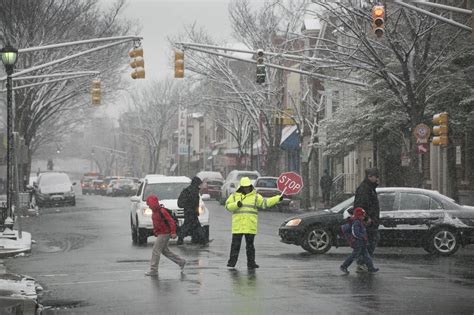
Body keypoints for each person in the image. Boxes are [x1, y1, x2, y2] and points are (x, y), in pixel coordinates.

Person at [225, 177, 282, 269]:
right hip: (238, 225)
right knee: (235, 245)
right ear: (241, 187)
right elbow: (227, 206)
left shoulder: (255, 196)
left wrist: (277, 199)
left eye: (248, 186)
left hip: (250, 226)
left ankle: (251, 263)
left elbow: (265, 203)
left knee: (250, 246)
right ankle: (232, 263)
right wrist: (236, 205)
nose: (247, 188)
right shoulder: (234, 196)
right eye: (245, 187)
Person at [145, 195, 186, 277]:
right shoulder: (155, 211)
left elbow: (171, 222)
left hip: (165, 233)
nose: (148, 206)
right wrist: (156, 232)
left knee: (156, 251)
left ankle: (154, 270)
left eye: (149, 204)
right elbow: (156, 223)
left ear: (153, 203)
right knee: (165, 251)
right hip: (162, 233)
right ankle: (181, 261)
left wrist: (173, 232)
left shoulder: (162, 211)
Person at [353, 167, 380, 272]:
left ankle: (365, 263)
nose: (377, 179)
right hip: (368, 222)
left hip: (371, 221)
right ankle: (362, 263)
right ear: (370, 177)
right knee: (368, 243)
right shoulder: (365, 189)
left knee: (370, 242)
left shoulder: (370, 188)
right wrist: (366, 218)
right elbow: (360, 205)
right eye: (375, 177)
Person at [340, 207, 379, 274]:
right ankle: (344, 266)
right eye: (363, 215)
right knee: (354, 255)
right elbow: (355, 232)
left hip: (362, 242)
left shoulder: (359, 221)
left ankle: (370, 268)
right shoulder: (356, 222)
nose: (364, 217)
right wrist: (363, 237)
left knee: (366, 256)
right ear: (359, 216)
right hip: (358, 242)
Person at [177, 176, 207, 246]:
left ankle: (199, 240)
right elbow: (183, 203)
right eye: (199, 184)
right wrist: (190, 208)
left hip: (189, 212)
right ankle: (203, 240)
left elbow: (181, 203)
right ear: (196, 183)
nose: (200, 185)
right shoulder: (192, 191)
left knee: (190, 226)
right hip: (191, 213)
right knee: (192, 226)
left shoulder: (189, 190)